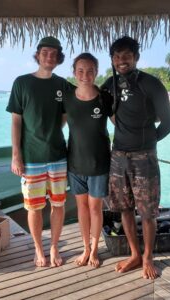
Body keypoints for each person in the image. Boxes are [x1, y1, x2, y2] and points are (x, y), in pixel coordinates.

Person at [101, 36, 170, 279]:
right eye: (117, 56)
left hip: (145, 157)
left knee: (148, 212)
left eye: (127, 56)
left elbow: (168, 123)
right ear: (112, 59)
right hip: (118, 156)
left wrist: (147, 143)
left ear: (136, 58)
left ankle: (148, 257)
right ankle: (134, 254)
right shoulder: (108, 84)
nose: (122, 61)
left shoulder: (151, 84)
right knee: (124, 209)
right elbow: (102, 113)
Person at [6, 36, 70, 267]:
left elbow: (69, 112)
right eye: (45, 52)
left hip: (57, 156)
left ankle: (53, 246)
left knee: (59, 204)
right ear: (38, 55)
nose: (49, 57)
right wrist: (16, 154)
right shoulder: (21, 82)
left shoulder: (62, 84)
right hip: (31, 158)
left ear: (59, 58)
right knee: (33, 207)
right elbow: (16, 121)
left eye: (54, 54)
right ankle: (38, 248)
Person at [63, 53, 113, 268]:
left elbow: (120, 123)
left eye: (90, 70)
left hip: (99, 163)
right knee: (81, 208)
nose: (85, 75)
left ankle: (94, 250)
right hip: (75, 163)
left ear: (96, 72)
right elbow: (56, 128)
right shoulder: (67, 98)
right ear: (74, 72)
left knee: (95, 209)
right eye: (81, 70)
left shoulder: (104, 97)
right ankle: (85, 248)